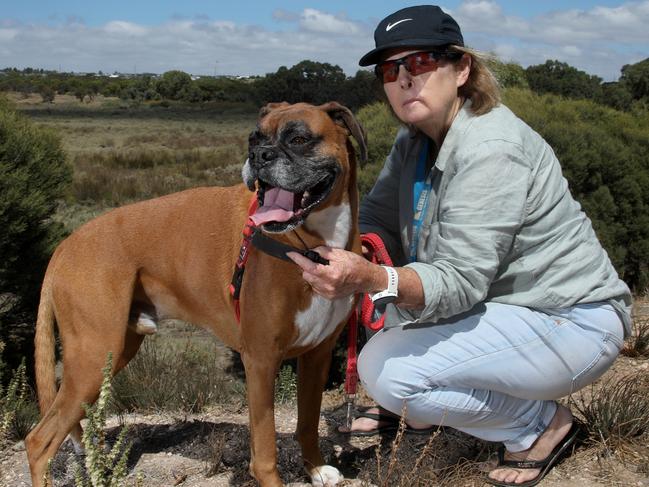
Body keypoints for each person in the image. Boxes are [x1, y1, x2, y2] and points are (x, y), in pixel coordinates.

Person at [288, 5, 633, 486]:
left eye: (422, 62)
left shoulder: (491, 147)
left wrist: (368, 276)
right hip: (508, 313)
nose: (405, 79)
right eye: (391, 69)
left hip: (570, 321)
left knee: (386, 370)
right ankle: (422, 410)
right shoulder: (415, 142)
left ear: (463, 69)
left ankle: (539, 425)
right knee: (388, 304)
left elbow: (459, 281)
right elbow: (377, 226)